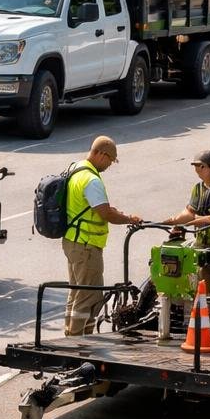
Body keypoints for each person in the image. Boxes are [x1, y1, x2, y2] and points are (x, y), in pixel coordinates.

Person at [61, 135, 142, 337]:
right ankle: (76, 339)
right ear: (100, 154)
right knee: (89, 295)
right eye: (109, 160)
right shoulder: (91, 179)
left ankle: (77, 335)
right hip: (86, 245)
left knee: (77, 292)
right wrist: (129, 218)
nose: (109, 165)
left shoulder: (76, 168)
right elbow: (106, 213)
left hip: (73, 240)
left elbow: (89, 206)